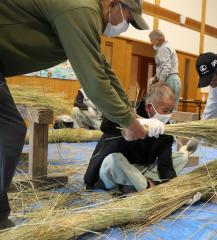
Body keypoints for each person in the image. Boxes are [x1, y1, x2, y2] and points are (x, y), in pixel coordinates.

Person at [0, 0, 162, 229]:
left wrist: (130, 112)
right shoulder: (82, 9)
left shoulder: (86, 14)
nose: (125, 26)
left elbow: (102, 67)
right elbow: (94, 81)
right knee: (8, 130)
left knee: (8, 129)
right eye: (128, 19)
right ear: (115, 4)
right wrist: (128, 122)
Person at [84, 82, 195, 192]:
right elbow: (106, 125)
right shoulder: (129, 110)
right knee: (114, 160)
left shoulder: (164, 128)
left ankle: (135, 183)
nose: (168, 115)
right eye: (165, 111)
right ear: (149, 107)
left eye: (171, 111)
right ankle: (146, 186)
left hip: (138, 170)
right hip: (116, 169)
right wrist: (136, 123)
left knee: (182, 157)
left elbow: (165, 165)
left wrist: (174, 188)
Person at [149, 30, 181, 109]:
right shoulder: (167, 46)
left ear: (157, 40)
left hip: (169, 79)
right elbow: (163, 66)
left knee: (167, 108)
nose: (151, 43)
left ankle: (169, 121)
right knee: (171, 108)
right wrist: (156, 77)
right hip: (173, 79)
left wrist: (160, 82)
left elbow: (166, 66)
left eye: (151, 40)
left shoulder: (163, 48)